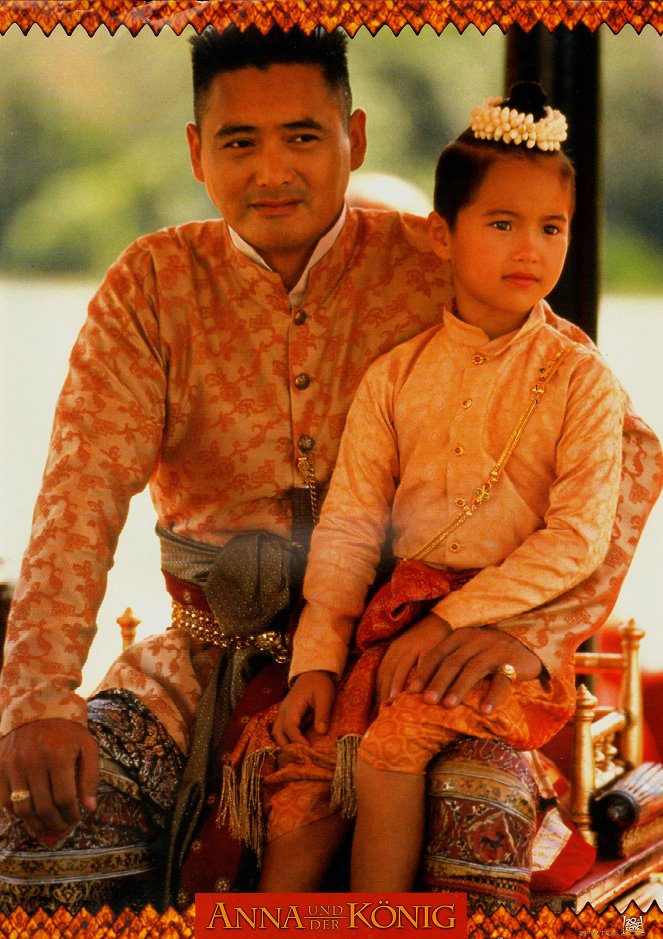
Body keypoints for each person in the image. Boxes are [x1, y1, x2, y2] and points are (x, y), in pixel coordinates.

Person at [0, 25, 659, 914]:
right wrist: (39, 695)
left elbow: (624, 450)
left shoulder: (438, 257)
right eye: (240, 142)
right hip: (204, 667)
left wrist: (521, 637)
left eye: (302, 137)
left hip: (415, 666)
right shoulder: (151, 287)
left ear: (353, 137)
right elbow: (75, 497)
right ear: (198, 154)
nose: (273, 170)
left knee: (481, 818)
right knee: (44, 833)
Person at [220, 83, 635, 894]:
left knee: (390, 746)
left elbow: (577, 538)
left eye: (551, 228)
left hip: (504, 628)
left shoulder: (580, 379)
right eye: (502, 224)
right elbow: (345, 534)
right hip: (390, 623)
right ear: (442, 237)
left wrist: (450, 618)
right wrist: (315, 662)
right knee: (301, 783)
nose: (530, 249)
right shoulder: (397, 376)